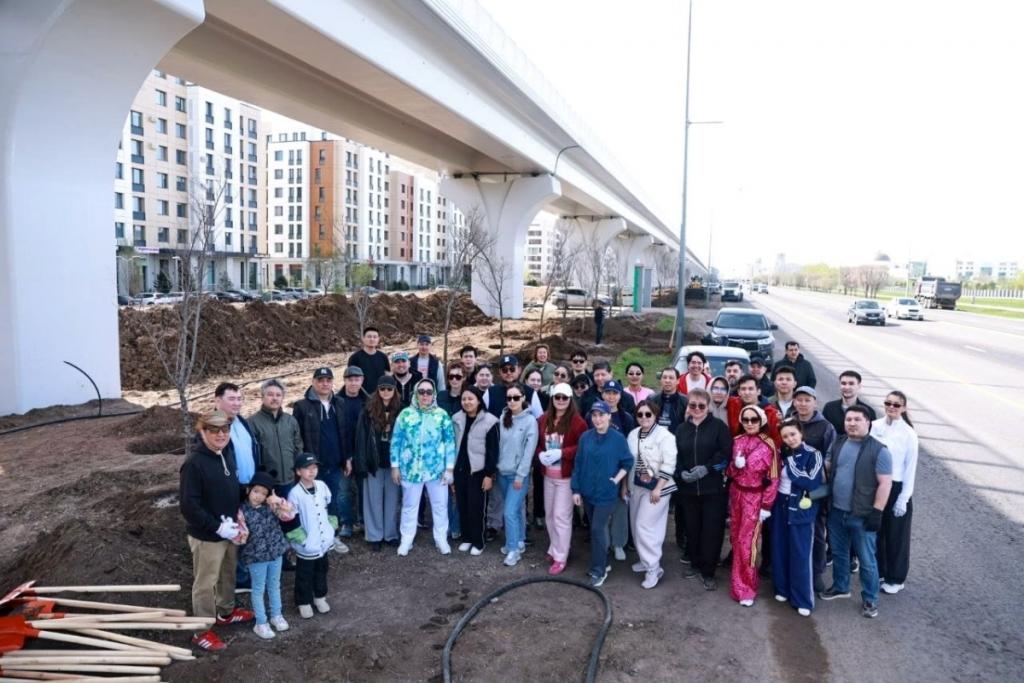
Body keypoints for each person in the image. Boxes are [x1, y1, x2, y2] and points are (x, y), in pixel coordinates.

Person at [179, 410, 253, 651]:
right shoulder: (194, 464)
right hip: (207, 535)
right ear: (203, 432)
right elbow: (189, 506)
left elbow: (231, 487)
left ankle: (225, 612)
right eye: (214, 430)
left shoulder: (226, 453)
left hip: (230, 530)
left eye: (225, 430)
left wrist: (245, 502)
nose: (221, 435)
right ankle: (201, 630)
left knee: (227, 573)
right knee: (205, 582)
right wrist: (217, 527)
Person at [820, 406, 893, 619]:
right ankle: (841, 586)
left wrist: (877, 512)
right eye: (848, 419)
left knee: (866, 559)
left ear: (868, 422)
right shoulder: (838, 442)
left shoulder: (880, 450)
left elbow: (885, 484)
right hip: (836, 511)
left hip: (862, 515)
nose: (852, 423)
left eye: (857, 419)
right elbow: (827, 468)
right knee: (839, 552)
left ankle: (870, 599)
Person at [390, 378, 457, 556]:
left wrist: (449, 468)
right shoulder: (405, 414)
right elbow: (396, 441)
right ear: (416, 394)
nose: (425, 395)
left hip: (436, 470)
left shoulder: (442, 415)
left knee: (440, 505)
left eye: (428, 392)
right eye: (421, 392)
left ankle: (441, 538)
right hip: (410, 470)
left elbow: (450, 443)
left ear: (433, 394)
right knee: (409, 506)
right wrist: (395, 466)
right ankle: (406, 540)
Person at [674, 389, 732, 591]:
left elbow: (726, 454)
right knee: (692, 528)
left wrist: (707, 468)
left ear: (708, 407)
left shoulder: (719, 427)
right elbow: (675, 455)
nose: (697, 409)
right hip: (688, 490)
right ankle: (695, 563)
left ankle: (709, 571)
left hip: (712, 490)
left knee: (712, 531)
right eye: (693, 405)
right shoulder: (681, 429)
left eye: (701, 405)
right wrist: (681, 472)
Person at [572, 401, 634, 587]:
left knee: (597, 529)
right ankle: (604, 563)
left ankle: (599, 570)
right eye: (594, 415)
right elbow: (578, 463)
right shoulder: (585, 437)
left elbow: (627, 462)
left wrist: (616, 480)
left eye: (601, 415)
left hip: (606, 493)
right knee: (595, 528)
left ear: (609, 416)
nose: (597, 419)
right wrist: (576, 489)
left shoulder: (618, 438)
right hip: (588, 491)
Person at [291, 367, 352, 555]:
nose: (324, 383)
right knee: (311, 504)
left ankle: (333, 535)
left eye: (328, 380)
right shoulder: (302, 406)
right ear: (313, 382)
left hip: (335, 463)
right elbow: (297, 437)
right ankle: (312, 539)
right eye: (320, 380)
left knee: (333, 500)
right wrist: (301, 464)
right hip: (312, 467)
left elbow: (345, 433)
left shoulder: (339, 403)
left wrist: (347, 458)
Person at [726, 405, 780, 607]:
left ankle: (746, 588)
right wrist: (735, 465)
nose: (749, 423)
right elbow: (729, 473)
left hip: (755, 499)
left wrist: (766, 505)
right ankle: (737, 582)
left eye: (754, 420)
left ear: (761, 421)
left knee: (747, 543)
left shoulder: (769, 445)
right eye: (746, 420)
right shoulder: (737, 441)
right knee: (735, 538)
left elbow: (774, 478)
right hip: (736, 495)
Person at [771, 420, 824, 616]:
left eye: (793, 434)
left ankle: (802, 599)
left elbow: (811, 482)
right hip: (780, 505)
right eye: (785, 436)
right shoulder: (782, 453)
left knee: (801, 553)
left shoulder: (813, 454)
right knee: (780, 548)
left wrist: (791, 462)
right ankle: (782, 588)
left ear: (801, 433)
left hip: (801, 508)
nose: (790, 439)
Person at [786, 385, 836, 594]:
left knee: (816, 532)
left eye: (807, 400)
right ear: (794, 402)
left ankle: (816, 573)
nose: (803, 404)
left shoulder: (825, 427)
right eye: (799, 400)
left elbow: (830, 456)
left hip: (813, 490)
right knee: (792, 529)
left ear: (815, 402)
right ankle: (793, 571)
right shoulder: (789, 421)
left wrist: (815, 476)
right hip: (790, 487)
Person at [536, 383, 588, 575]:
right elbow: (537, 443)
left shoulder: (578, 422)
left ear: (570, 399)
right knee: (550, 515)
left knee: (561, 516)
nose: (560, 400)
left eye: (564, 397)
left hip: (566, 477)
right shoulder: (544, 419)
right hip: (548, 475)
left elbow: (582, 447)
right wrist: (540, 454)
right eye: (557, 397)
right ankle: (555, 546)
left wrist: (562, 453)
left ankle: (561, 556)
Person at [626, 400, 677, 589]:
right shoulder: (633, 434)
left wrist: (658, 488)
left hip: (658, 488)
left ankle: (653, 568)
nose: (644, 418)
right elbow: (629, 462)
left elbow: (669, 464)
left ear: (655, 415)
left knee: (645, 526)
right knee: (635, 524)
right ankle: (644, 559)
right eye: (640, 414)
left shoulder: (665, 436)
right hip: (637, 486)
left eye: (648, 414)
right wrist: (626, 486)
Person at [872, 391, 918, 595]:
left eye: (896, 405)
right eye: (888, 403)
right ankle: (880, 571)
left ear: (904, 408)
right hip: (876, 484)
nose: (891, 407)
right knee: (877, 532)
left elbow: (910, 468)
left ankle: (896, 578)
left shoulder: (908, 433)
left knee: (896, 535)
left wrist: (903, 498)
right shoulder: (875, 426)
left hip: (897, 486)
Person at [239, 472, 290, 639]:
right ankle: (261, 622)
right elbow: (239, 534)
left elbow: (289, 515)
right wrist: (240, 534)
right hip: (256, 557)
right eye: (256, 491)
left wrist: (279, 501)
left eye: (263, 493)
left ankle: (276, 615)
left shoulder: (271, 506)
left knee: (274, 585)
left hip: (276, 552)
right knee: (258, 588)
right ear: (248, 490)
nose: (259, 496)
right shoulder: (241, 511)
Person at [285, 452, 336, 619]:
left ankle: (320, 596)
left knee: (322, 569)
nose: (312, 471)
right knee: (304, 573)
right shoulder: (295, 493)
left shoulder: (322, 486)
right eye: (307, 468)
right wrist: (302, 540)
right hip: (307, 542)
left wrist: (332, 527)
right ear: (298, 471)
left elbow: (330, 506)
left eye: (314, 467)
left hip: (323, 540)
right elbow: (291, 519)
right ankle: (303, 601)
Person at [353, 375, 401, 551]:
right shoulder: (368, 410)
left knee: (392, 499)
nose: (386, 392)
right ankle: (374, 535)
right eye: (382, 389)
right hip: (373, 461)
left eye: (389, 388)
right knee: (373, 500)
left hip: (394, 463)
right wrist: (362, 463)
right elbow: (360, 438)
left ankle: (390, 534)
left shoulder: (401, 410)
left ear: (394, 390)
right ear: (377, 390)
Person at [589, 379, 634, 561]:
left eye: (615, 393)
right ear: (602, 394)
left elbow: (629, 451)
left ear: (620, 395)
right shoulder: (593, 415)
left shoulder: (626, 418)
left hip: (619, 470)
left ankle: (619, 544)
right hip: (598, 470)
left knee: (619, 509)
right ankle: (604, 543)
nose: (611, 396)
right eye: (608, 392)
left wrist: (624, 484)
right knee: (600, 511)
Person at [451, 387, 499, 555]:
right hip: (460, 470)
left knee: (476, 508)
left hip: (478, 471)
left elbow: (493, 451)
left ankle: (478, 541)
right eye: (464, 399)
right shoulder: (456, 418)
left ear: (479, 400)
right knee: (462, 505)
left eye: (471, 399)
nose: (467, 402)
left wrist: (488, 475)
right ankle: (467, 538)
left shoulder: (490, 421)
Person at [496, 383, 539, 566]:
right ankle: (519, 540)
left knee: (509, 512)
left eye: (516, 397)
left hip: (517, 475)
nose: (512, 401)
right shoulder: (503, 417)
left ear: (523, 398)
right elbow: (499, 445)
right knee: (516, 508)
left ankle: (513, 549)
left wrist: (521, 475)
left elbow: (529, 452)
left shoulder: (530, 421)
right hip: (502, 472)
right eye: (509, 398)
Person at [247, 378, 303, 491]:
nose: (275, 398)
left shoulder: (290, 421)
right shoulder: (252, 423)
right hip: (266, 483)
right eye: (270, 394)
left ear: (282, 397)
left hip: (290, 480)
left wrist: (298, 471)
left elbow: (298, 447)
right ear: (262, 397)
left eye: (278, 395)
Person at [338, 366, 369, 536]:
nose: (353, 383)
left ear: (362, 380)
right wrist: (346, 457)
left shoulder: (368, 401)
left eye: (357, 379)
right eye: (350, 379)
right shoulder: (336, 401)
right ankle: (346, 523)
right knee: (343, 491)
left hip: (362, 453)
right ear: (344, 380)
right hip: (343, 453)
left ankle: (363, 520)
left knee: (364, 489)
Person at [823, 370, 878, 436]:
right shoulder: (829, 408)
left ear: (859, 386)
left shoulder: (869, 411)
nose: (847, 387)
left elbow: (871, 436)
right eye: (843, 383)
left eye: (851, 384)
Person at [348, 326, 390, 392]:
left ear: (378, 339)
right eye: (369, 336)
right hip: (361, 395)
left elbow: (387, 376)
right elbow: (350, 379)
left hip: (380, 394)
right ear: (363, 338)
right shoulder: (355, 358)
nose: (372, 339)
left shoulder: (383, 357)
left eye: (375, 337)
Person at [650, 367, 688, 433]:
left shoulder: (685, 401)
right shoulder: (652, 400)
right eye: (664, 377)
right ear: (661, 380)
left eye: (671, 378)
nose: (667, 381)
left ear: (678, 381)